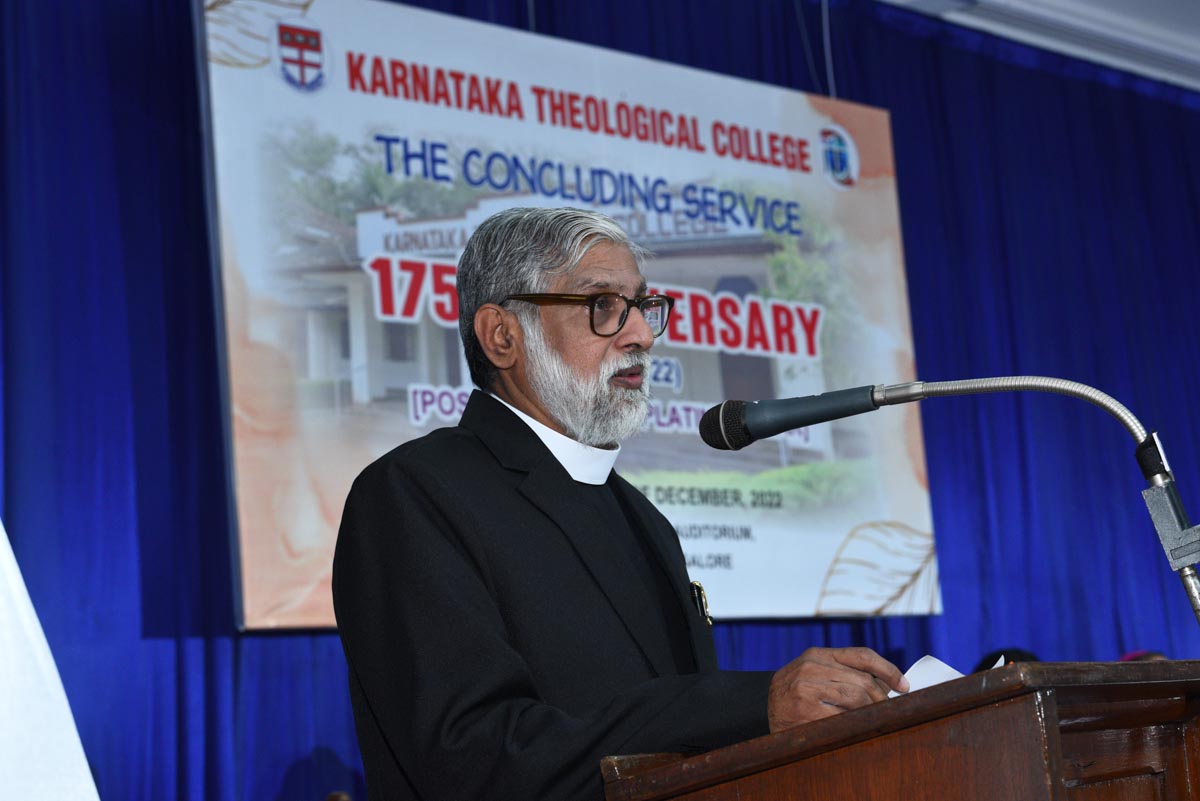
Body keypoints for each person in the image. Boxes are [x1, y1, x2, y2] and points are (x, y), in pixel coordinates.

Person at [332, 206, 908, 801]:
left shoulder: (643, 518)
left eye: (641, 305)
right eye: (602, 305)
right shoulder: (413, 493)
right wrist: (749, 705)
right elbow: (474, 757)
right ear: (502, 336)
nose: (641, 335)